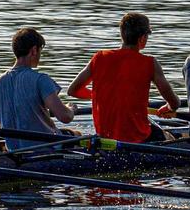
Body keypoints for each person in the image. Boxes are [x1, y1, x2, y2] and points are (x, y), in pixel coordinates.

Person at [66, 12, 180, 143]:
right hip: (138, 138)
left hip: (105, 138)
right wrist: (169, 107)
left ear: (122, 34)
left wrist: (105, 95)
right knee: (171, 138)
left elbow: (72, 90)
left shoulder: (99, 57)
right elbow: (175, 103)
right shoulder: (150, 63)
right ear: (142, 38)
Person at [0, 28, 76, 151]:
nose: (40, 56)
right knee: (77, 135)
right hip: (46, 149)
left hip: (14, 152)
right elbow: (65, 117)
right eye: (40, 51)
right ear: (34, 50)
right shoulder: (41, 80)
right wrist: (71, 109)